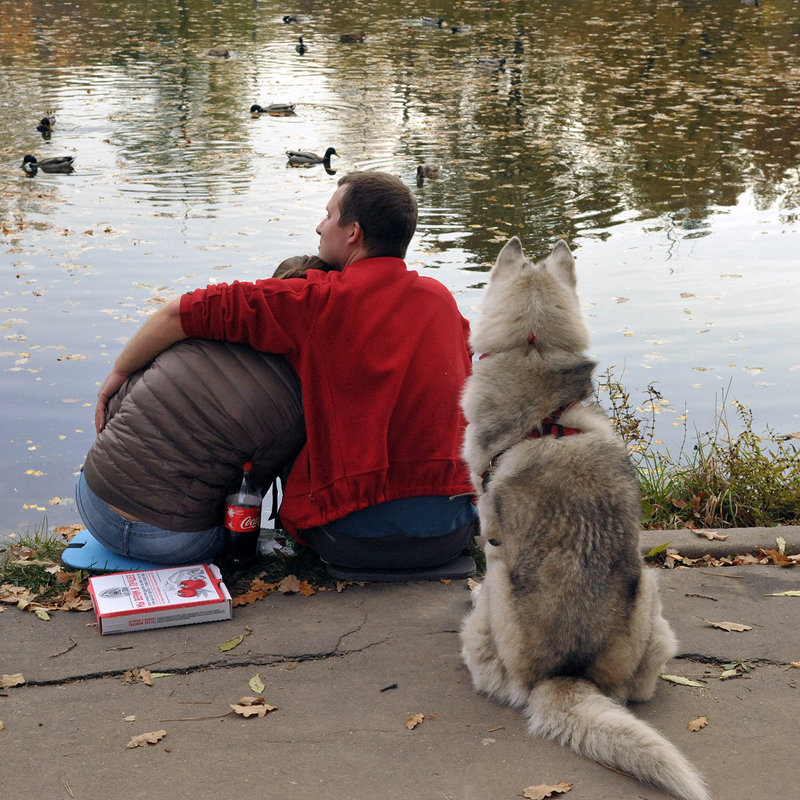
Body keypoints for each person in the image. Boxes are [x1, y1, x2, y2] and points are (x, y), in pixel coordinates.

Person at [79, 172, 476, 574]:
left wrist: (116, 374)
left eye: (328, 216)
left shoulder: (316, 300)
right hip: (448, 537)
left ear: (353, 232)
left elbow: (179, 312)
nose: (320, 227)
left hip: (346, 541)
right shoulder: (443, 303)